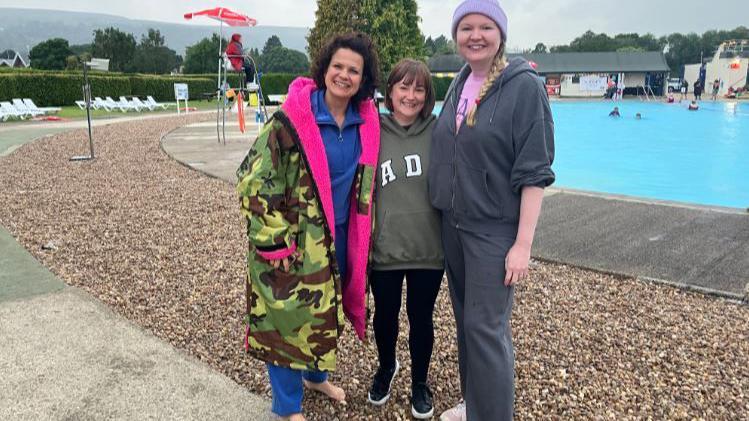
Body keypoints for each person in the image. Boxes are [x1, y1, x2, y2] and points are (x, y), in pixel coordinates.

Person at [236, 32, 380, 421]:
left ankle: (317, 376)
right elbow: (253, 180)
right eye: (338, 66)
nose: (344, 75)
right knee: (284, 320)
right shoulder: (292, 120)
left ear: (363, 79)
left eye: (354, 70)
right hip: (292, 243)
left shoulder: (364, 122)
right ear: (324, 68)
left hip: (340, 240)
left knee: (326, 312)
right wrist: (273, 243)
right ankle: (286, 407)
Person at [429, 1, 555, 419]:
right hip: (454, 225)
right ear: (456, 35)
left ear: (500, 33)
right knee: (467, 323)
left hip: (493, 231)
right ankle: (474, 405)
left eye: (485, 27)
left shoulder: (523, 87)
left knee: (486, 329)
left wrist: (523, 244)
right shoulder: (460, 81)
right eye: (466, 28)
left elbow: (535, 171)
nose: (475, 35)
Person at [367, 59, 443, 420]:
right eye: (403, 87)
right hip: (384, 249)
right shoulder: (372, 130)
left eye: (419, 89)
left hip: (429, 249)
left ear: (427, 96)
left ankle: (420, 382)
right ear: (390, 91)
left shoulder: (440, 130)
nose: (411, 96)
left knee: (421, 318)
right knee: (384, 317)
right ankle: (387, 367)